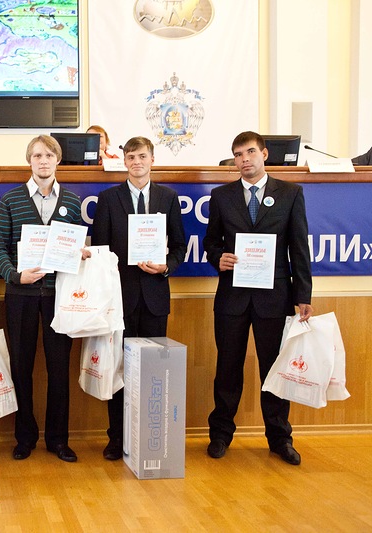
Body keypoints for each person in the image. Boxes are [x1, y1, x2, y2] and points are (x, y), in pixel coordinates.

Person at [204, 131, 313, 466]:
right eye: (238, 155)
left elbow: (299, 247)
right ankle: (220, 435)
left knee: (274, 371)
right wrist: (218, 258)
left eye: (250, 152)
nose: (244, 159)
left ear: (264, 154)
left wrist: (303, 295)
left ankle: (280, 439)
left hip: (275, 298)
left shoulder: (290, 193)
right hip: (232, 297)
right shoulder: (221, 196)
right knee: (227, 368)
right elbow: (211, 243)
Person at [91, 136, 186, 461]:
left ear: (152, 159)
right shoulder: (108, 199)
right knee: (119, 370)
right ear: (124, 162)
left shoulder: (168, 198)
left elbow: (179, 246)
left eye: (142, 156)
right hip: (119, 299)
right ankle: (116, 437)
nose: (136, 162)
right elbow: (101, 250)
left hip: (155, 297)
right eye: (131, 157)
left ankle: (148, 435)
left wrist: (166, 266)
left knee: (152, 371)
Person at [0, 134, 83, 463]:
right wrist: (16, 275)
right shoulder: (11, 200)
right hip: (21, 295)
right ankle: (25, 438)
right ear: (29, 161)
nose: (43, 161)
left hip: (60, 296)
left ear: (58, 160)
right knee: (21, 367)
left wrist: (80, 252)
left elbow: (76, 244)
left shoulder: (72, 201)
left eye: (49, 155)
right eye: (37, 156)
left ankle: (58, 440)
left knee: (59, 369)